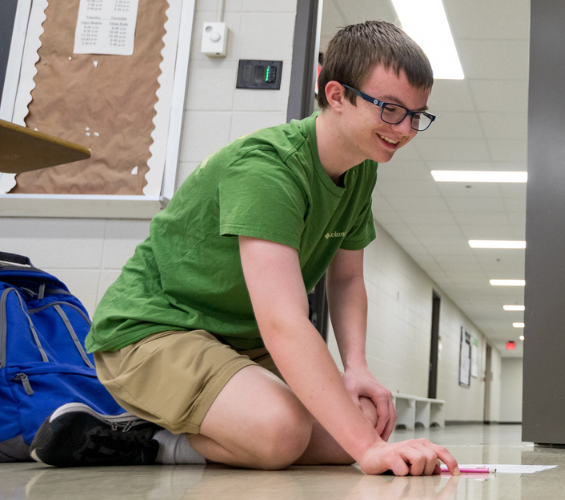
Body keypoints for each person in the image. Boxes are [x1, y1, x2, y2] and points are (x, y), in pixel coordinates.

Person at [29, 21, 459, 476]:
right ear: (336, 95)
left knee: (364, 422)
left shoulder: (361, 171)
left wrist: (357, 368)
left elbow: (348, 278)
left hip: (242, 343)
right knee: (282, 431)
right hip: (156, 332)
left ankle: (182, 428)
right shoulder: (267, 169)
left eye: (416, 114)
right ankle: (147, 438)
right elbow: (283, 321)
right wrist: (369, 452)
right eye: (391, 109)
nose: (406, 129)